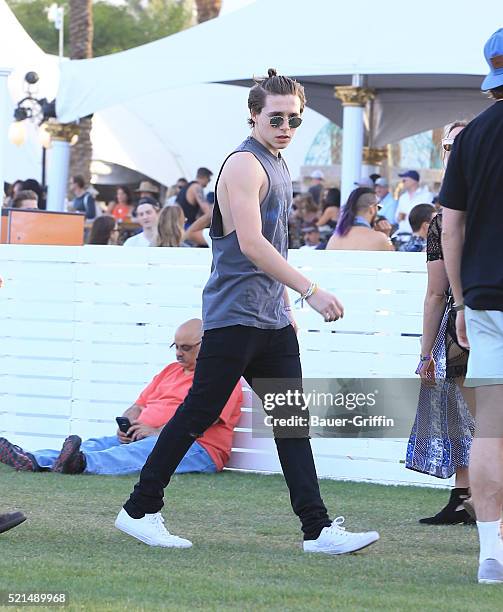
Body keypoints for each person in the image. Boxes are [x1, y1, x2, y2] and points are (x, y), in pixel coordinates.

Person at [114, 68, 379, 553]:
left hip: (270, 318)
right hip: (235, 315)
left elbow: (270, 244)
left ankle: (317, 530)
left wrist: (285, 303)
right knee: (198, 412)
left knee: (290, 423)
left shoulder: (277, 162)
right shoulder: (243, 164)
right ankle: (138, 509)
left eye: (295, 120)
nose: (286, 127)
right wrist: (310, 290)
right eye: (276, 118)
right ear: (254, 115)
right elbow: (252, 244)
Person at [0, 320, 243, 477]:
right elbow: (138, 405)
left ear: (207, 345)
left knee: (138, 452)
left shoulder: (221, 375)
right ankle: (33, 459)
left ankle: (81, 463)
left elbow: (203, 419)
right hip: (146, 436)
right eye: (176, 346)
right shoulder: (170, 370)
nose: (179, 352)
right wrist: (127, 425)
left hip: (198, 447)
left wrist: (157, 432)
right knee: (100, 443)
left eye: (186, 347)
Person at [441, 28, 503, 584]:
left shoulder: (471, 136)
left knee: (493, 430)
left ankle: (492, 554)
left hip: (485, 297)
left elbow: (451, 227)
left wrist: (460, 300)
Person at [406, 122, 477, 526]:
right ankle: (462, 495)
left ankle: (474, 499)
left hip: (466, 323)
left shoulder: (444, 220)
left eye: (457, 144)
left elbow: (437, 293)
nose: (450, 151)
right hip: (467, 322)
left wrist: (425, 352)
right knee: (468, 416)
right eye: (447, 144)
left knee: (475, 419)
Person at [326, 188, 394, 251]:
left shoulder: (334, 239)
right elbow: (392, 261)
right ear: (372, 209)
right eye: (378, 207)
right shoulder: (380, 239)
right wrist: (387, 237)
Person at [395, 170, 433, 235]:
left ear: (413, 181)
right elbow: (396, 218)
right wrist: (398, 217)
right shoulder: (403, 197)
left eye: (404, 180)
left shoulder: (427, 196)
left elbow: (429, 217)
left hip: (418, 237)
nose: (402, 182)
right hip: (401, 236)